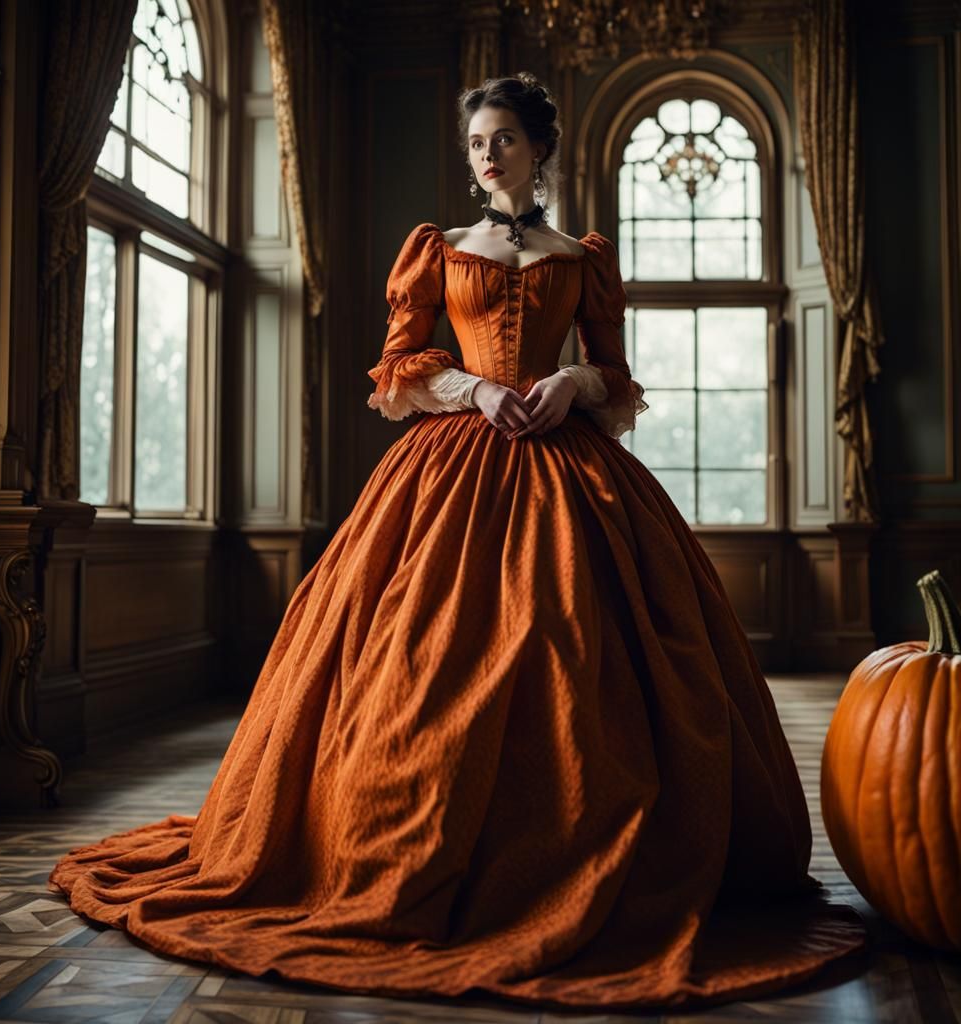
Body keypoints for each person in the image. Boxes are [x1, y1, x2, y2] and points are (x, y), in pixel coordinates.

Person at [48, 71, 869, 1011]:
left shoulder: (582, 255)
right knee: (417, 660)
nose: (487, 155)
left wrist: (569, 387)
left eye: (505, 139)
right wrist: (476, 389)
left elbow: (612, 373)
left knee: (577, 649)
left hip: (568, 467)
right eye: (477, 142)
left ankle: (575, 849)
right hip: (453, 462)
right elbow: (402, 363)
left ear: (538, 149)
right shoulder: (438, 249)